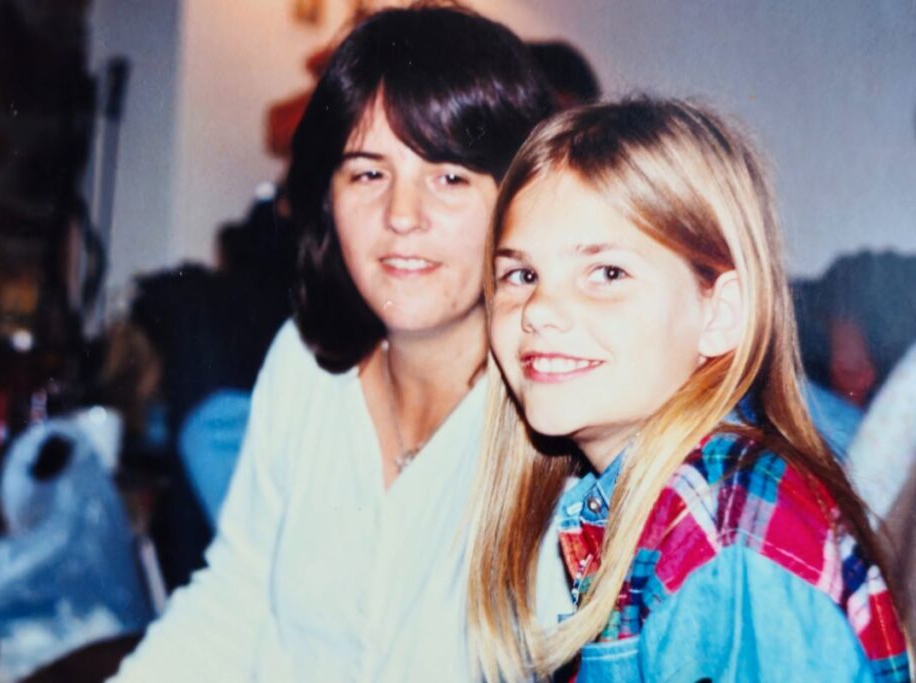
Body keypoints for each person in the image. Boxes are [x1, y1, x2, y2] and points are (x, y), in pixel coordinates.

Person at [112, 5, 558, 682]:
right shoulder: (303, 360)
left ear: (516, 201)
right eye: (367, 172)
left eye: (449, 176)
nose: (401, 216)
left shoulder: (557, 416)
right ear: (327, 197)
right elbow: (238, 595)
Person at [467, 99, 910, 682]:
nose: (540, 310)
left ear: (720, 313)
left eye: (607, 273)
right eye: (522, 275)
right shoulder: (646, 507)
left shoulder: (727, 534)